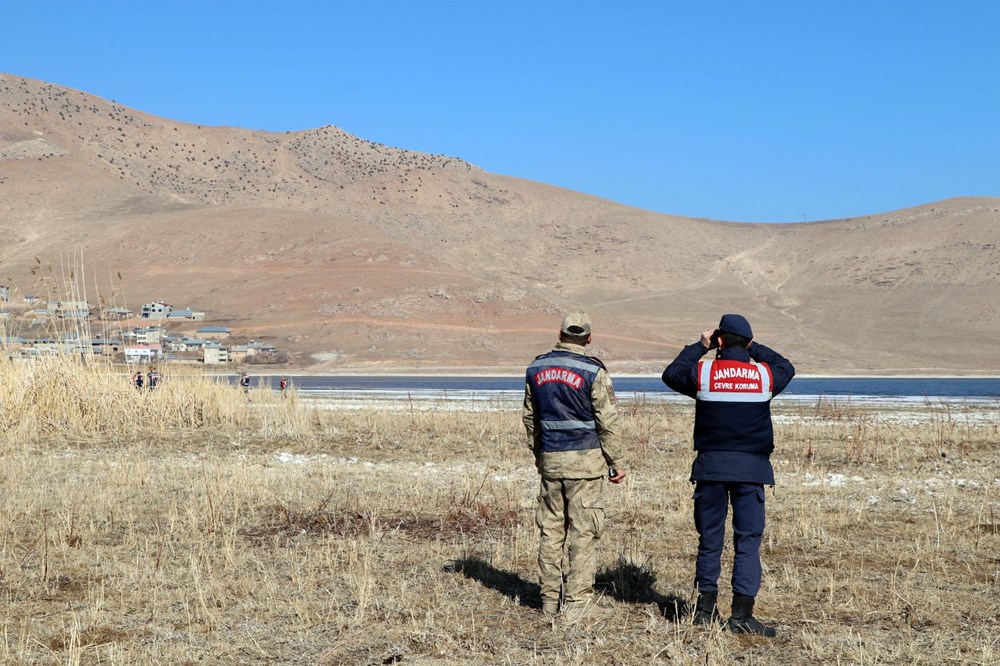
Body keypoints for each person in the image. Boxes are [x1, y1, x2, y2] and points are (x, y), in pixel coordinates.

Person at [662, 314, 794, 637]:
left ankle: (704, 611)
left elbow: (671, 374)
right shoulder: (762, 376)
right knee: (747, 541)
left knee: (710, 540)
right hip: (751, 472)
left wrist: (700, 346)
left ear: (719, 341)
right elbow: (786, 367)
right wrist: (754, 349)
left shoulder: (705, 372)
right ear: (747, 343)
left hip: (711, 471)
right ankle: (741, 615)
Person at [523, 312, 627, 620]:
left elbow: (531, 419)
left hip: (551, 463)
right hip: (586, 466)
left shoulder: (536, 367)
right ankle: (578, 604)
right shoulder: (593, 371)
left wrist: (539, 455)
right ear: (589, 338)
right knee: (584, 533)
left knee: (551, 532)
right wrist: (616, 461)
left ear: (559, 333)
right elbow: (607, 421)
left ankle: (548, 601)